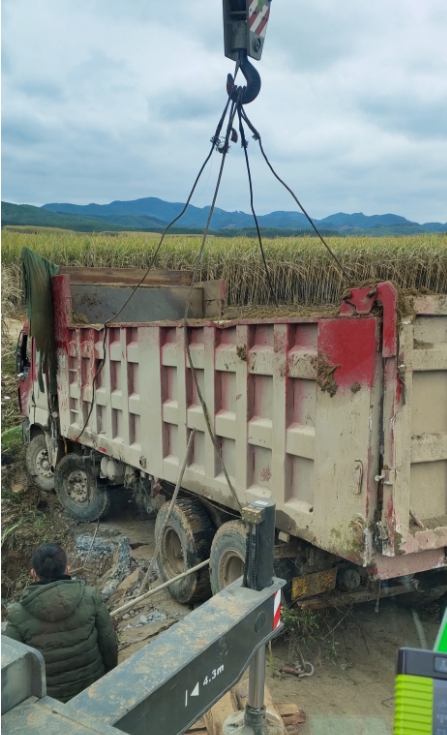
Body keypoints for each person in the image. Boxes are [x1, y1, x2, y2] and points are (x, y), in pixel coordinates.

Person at [3, 542, 118, 702]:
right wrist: (108, 677)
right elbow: (109, 644)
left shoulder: (18, 614)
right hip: (93, 690)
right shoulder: (90, 596)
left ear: (33, 574)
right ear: (67, 570)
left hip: (50, 703)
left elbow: (10, 666)